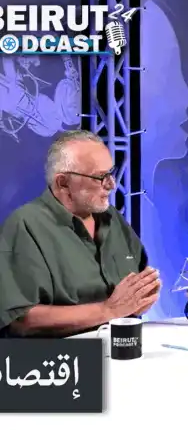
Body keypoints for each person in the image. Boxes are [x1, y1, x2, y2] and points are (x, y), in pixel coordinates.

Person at [0, 130, 161, 338]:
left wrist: (139, 299)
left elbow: (134, 288)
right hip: (62, 356)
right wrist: (107, 310)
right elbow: (21, 320)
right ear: (63, 183)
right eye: (100, 177)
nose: (112, 184)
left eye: (111, 173)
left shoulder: (112, 218)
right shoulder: (24, 225)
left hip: (124, 347)